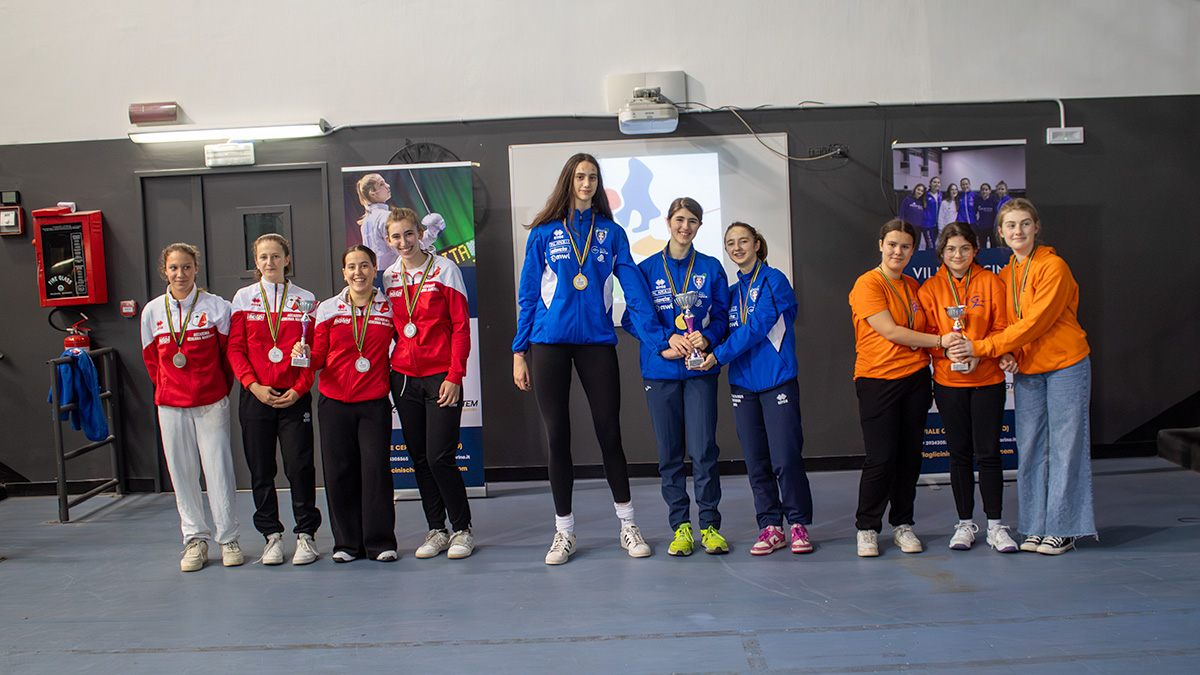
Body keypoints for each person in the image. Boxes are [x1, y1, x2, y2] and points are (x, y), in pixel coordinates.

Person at [512, 152, 668, 565]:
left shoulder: (611, 234)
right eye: (580, 176)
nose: (586, 183)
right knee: (557, 436)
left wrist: (657, 340)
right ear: (569, 180)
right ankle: (564, 531)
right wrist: (519, 351)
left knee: (609, 433)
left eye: (593, 177)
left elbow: (634, 290)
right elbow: (528, 295)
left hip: (597, 341)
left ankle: (628, 524)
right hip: (548, 342)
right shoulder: (544, 233)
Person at [948, 198, 1094, 555]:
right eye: (1011, 225)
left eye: (1025, 224)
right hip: (1029, 369)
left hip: (1065, 364)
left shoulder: (1053, 266)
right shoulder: (1007, 273)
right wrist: (1008, 353)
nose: (1018, 231)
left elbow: (1036, 323)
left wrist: (983, 348)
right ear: (1000, 232)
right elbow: (1009, 326)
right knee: (1029, 449)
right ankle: (1034, 526)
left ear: (1036, 227)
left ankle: (1063, 528)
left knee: (1065, 448)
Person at [694, 222, 815, 556]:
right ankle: (770, 526)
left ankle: (798, 523)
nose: (737, 248)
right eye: (730, 243)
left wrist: (717, 355)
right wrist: (701, 342)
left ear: (757, 244)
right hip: (742, 385)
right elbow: (722, 330)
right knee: (756, 460)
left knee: (785, 458)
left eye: (743, 241)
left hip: (776, 380)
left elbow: (757, 327)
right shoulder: (732, 292)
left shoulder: (775, 281)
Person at [621, 197, 730, 556]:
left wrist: (707, 337)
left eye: (692, 221)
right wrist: (663, 343)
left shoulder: (711, 267)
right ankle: (680, 527)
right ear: (668, 222)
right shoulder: (646, 269)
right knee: (670, 454)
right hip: (661, 370)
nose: (685, 226)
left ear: (699, 226)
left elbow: (723, 317)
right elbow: (629, 319)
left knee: (703, 450)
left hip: (700, 370)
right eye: (680, 219)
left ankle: (710, 526)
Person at [848, 220, 959, 557]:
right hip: (878, 380)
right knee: (881, 458)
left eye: (905, 246)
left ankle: (903, 524)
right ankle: (867, 528)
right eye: (892, 244)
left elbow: (919, 329)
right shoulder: (867, 283)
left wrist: (939, 343)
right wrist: (939, 341)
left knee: (910, 457)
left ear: (913, 250)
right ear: (881, 244)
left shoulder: (912, 285)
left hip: (915, 379)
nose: (898, 251)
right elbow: (891, 331)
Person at [917, 223, 1018, 553]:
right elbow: (928, 335)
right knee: (959, 453)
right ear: (941, 253)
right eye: (950, 249)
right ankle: (964, 524)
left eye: (964, 248)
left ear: (975, 250)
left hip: (988, 380)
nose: (957, 255)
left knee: (989, 452)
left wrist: (980, 353)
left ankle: (996, 525)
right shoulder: (930, 288)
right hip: (949, 382)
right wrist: (947, 353)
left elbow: (1002, 327)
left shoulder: (992, 282)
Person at [140, 243, 242, 571]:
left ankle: (228, 538)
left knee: (218, 470)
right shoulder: (152, 311)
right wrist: (169, 389)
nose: (180, 274)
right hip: (171, 405)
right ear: (164, 271)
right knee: (182, 472)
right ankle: (195, 538)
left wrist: (216, 391)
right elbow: (152, 361)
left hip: (211, 402)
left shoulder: (217, 307)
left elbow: (227, 357)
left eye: (186, 267)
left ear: (196, 268)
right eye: (174, 268)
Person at [382, 208, 475, 559]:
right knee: (419, 458)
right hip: (404, 378)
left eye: (409, 234)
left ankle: (462, 529)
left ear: (421, 234)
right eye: (396, 236)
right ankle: (437, 529)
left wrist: (455, 375)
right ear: (388, 240)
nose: (403, 242)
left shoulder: (445, 270)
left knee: (440, 457)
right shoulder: (389, 276)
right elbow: (391, 327)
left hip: (441, 376)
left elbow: (461, 327)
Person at [227, 234, 322, 565]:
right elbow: (235, 349)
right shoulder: (243, 298)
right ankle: (271, 536)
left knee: (300, 467)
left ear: (287, 259)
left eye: (276, 256)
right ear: (256, 262)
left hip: (294, 395)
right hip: (256, 395)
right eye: (264, 257)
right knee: (261, 469)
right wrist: (252, 385)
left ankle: (306, 534)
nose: (270, 262)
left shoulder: (306, 299)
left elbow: (312, 352)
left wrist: (300, 388)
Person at [301, 245, 399, 562]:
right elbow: (318, 357)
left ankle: (380, 542)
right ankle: (346, 544)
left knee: (376, 472)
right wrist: (304, 356)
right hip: (334, 403)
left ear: (375, 269)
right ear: (344, 273)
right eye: (352, 267)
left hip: (373, 404)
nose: (359, 272)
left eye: (365, 266)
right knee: (339, 472)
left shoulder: (389, 308)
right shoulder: (328, 309)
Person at [357, 173, 397, 273]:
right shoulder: (385, 216)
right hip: (393, 274)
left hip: (375, 274)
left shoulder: (365, 221)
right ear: (373, 193)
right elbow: (399, 248)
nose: (387, 186)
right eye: (381, 184)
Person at [899, 184, 932, 250]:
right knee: (908, 244)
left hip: (918, 228)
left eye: (922, 191)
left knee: (916, 245)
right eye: (918, 189)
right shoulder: (908, 199)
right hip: (909, 227)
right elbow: (902, 212)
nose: (919, 192)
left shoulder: (922, 202)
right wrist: (902, 225)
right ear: (915, 190)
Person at [975, 183, 999, 248]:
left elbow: (996, 214)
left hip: (991, 228)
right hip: (981, 228)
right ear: (980, 191)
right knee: (982, 246)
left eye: (986, 190)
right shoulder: (978, 201)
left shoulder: (993, 201)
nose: (984, 191)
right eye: (983, 190)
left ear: (990, 191)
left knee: (993, 246)